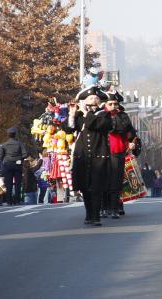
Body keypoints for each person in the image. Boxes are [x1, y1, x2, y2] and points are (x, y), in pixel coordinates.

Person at [64, 86, 112, 226]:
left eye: (96, 99)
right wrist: (72, 114)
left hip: (99, 155)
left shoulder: (104, 115)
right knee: (85, 188)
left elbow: (95, 125)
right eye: (90, 99)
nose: (93, 101)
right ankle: (89, 214)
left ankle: (96, 216)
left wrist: (86, 113)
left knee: (97, 188)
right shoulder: (80, 115)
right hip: (82, 156)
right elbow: (69, 129)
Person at [101, 90, 140, 218]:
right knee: (102, 182)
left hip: (117, 153)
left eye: (115, 104)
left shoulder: (122, 116)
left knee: (116, 182)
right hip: (101, 152)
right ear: (105, 104)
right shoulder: (100, 115)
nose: (113, 106)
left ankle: (115, 207)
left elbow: (127, 130)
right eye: (110, 104)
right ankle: (104, 207)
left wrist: (131, 142)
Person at [0, 127, 28, 205]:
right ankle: (17, 200)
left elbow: (0, 155)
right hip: (17, 164)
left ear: (8, 135)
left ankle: (9, 201)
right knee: (18, 184)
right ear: (15, 134)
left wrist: (5, 160)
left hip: (7, 164)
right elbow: (25, 154)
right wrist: (20, 158)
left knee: (8, 184)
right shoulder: (19, 143)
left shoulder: (4, 145)